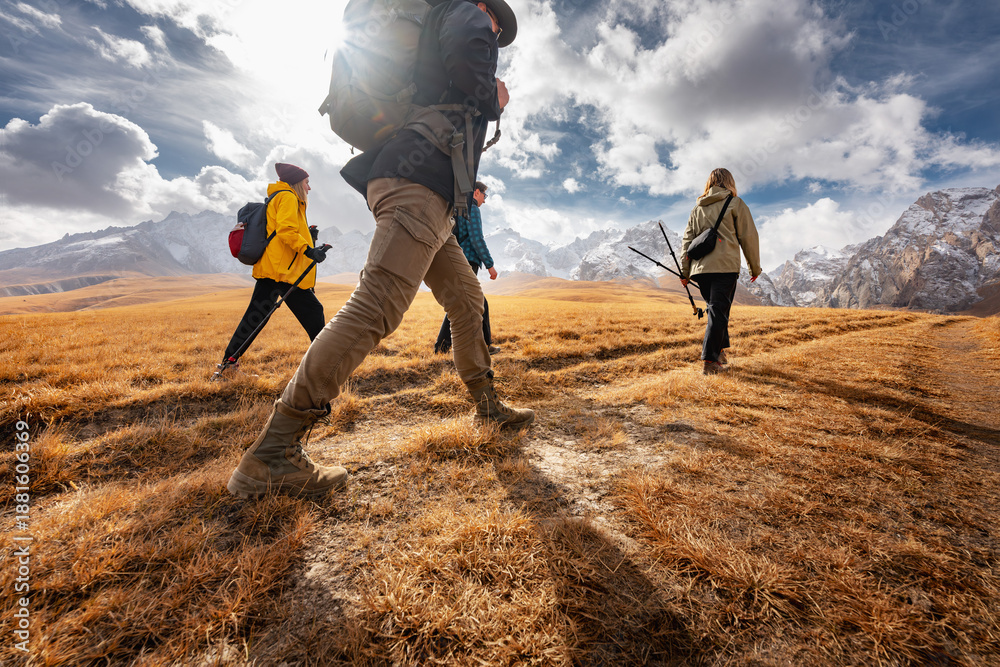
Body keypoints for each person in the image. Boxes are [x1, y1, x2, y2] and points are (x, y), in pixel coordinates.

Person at [226, 0, 531, 499]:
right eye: (497, 27)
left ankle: (488, 404)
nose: (494, 35)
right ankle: (272, 452)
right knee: (378, 306)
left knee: (466, 298)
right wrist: (494, 97)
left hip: (418, 184)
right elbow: (470, 72)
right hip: (420, 184)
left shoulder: (432, 21)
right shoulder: (467, 14)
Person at [216, 163, 329, 379]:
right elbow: (286, 231)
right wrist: (309, 251)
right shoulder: (287, 197)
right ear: (298, 183)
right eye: (307, 183)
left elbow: (282, 232)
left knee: (255, 318)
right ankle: (327, 366)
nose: (309, 188)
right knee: (314, 313)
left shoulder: (278, 197)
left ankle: (227, 367)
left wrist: (310, 237)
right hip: (284, 272)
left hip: (273, 269)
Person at [680, 168, 762, 375]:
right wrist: (754, 267)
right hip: (724, 267)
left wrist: (685, 272)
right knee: (718, 312)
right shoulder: (735, 203)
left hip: (700, 269)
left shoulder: (696, 208)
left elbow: (687, 242)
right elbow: (748, 236)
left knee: (716, 311)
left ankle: (720, 352)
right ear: (730, 182)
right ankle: (710, 361)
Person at [434, 181, 499, 355]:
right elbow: (477, 238)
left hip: (458, 260)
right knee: (475, 301)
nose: (484, 200)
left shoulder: (459, 209)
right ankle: (485, 345)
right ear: (476, 192)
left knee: (461, 301)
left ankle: (442, 348)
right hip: (468, 261)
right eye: (485, 195)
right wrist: (490, 265)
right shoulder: (472, 209)